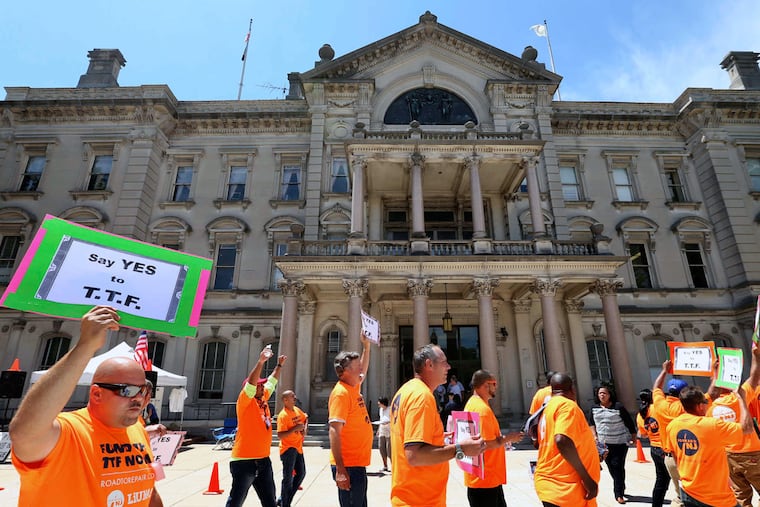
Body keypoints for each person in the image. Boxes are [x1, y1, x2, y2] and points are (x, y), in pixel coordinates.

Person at [9, 305, 163, 506]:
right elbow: (25, 432)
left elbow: (146, 489)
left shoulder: (137, 428)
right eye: (126, 390)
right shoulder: (69, 432)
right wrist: (85, 346)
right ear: (97, 393)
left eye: (143, 390)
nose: (138, 399)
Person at [390, 344, 485, 507]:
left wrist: (438, 438)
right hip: (420, 500)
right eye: (444, 362)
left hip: (411, 495)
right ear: (429, 365)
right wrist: (461, 449)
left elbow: (409, 439)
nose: (449, 367)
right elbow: (414, 455)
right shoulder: (422, 396)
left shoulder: (405, 390)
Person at [667, 384, 753, 507]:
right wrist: (742, 399)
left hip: (688, 490)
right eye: (706, 401)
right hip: (716, 496)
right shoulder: (712, 425)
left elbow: (675, 455)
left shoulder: (673, 425)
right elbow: (747, 428)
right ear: (700, 406)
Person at [226, 347, 286, 507]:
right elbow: (252, 385)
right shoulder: (245, 401)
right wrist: (261, 362)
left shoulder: (263, 398)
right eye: (260, 385)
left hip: (263, 460)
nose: (262, 386)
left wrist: (278, 366)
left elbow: (272, 381)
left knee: (270, 502)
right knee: (236, 501)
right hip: (244, 461)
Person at [534, 372, 600, 507]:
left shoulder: (547, 408)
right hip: (565, 488)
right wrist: (586, 479)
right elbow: (562, 440)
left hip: (551, 483)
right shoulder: (567, 406)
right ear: (572, 389)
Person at [706, 345, 760, 507]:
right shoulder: (738, 397)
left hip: (728, 456)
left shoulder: (707, 405)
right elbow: (754, 377)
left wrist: (715, 374)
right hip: (751, 452)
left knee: (741, 497)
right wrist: (755, 355)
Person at [463, 369, 523, 507]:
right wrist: (509, 438)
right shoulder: (481, 409)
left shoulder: (474, 403)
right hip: (485, 479)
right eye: (494, 383)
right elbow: (485, 443)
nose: (496, 386)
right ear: (485, 385)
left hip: (485, 478)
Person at [328, 332, 373, 507]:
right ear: (346, 371)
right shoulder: (341, 393)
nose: (360, 369)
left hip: (357, 464)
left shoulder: (353, 386)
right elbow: (334, 431)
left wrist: (366, 347)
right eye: (356, 367)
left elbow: (365, 368)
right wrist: (340, 469)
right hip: (348, 466)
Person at [587, 384, 637, 504]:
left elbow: (629, 422)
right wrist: (594, 436)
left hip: (620, 442)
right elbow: (591, 423)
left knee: (617, 466)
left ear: (610, 395)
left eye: (605, 393)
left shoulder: (618, 407)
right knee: (613, 468)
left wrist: (634, 437)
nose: (602, 395)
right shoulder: (594, 408)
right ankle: (620, 485)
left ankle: (618, 494)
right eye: (600, 393)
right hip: (604, 444)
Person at [651, 360, 689, 507]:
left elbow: (656, 387)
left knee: (679, 493)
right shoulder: (684, 407)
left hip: (667, 455)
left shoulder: (659, 404)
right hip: (684, 455)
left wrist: (664, 371)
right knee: (692, 494)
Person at [636, 388, 670, 507]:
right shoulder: (658, 409)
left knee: (661, 480)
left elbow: (643, 434)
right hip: (665, 448)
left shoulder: (641, 414)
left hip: (654, 448)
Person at [277, 389, 308, 507]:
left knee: (301, 473)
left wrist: (304, 427)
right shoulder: (283, 415)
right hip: (288, 449)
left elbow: (305, 419)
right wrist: (294, 429)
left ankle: (285, 499)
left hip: (298, 447)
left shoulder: (296, 410)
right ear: (285, 400)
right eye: (292, 397)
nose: (295, 398)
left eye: (294, 396)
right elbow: (280, 435)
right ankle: (285, 502)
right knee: (288, 477)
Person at [374, 397, 391, 472]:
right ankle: (385, 466)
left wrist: (388, 422)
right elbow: (381, 419)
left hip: (389, 430)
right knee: (381, 448)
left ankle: (393, 465)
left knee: (389, 449)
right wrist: (378, 430)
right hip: (382, 429)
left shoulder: (390, 409)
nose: (378, 404)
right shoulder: (381, 410)